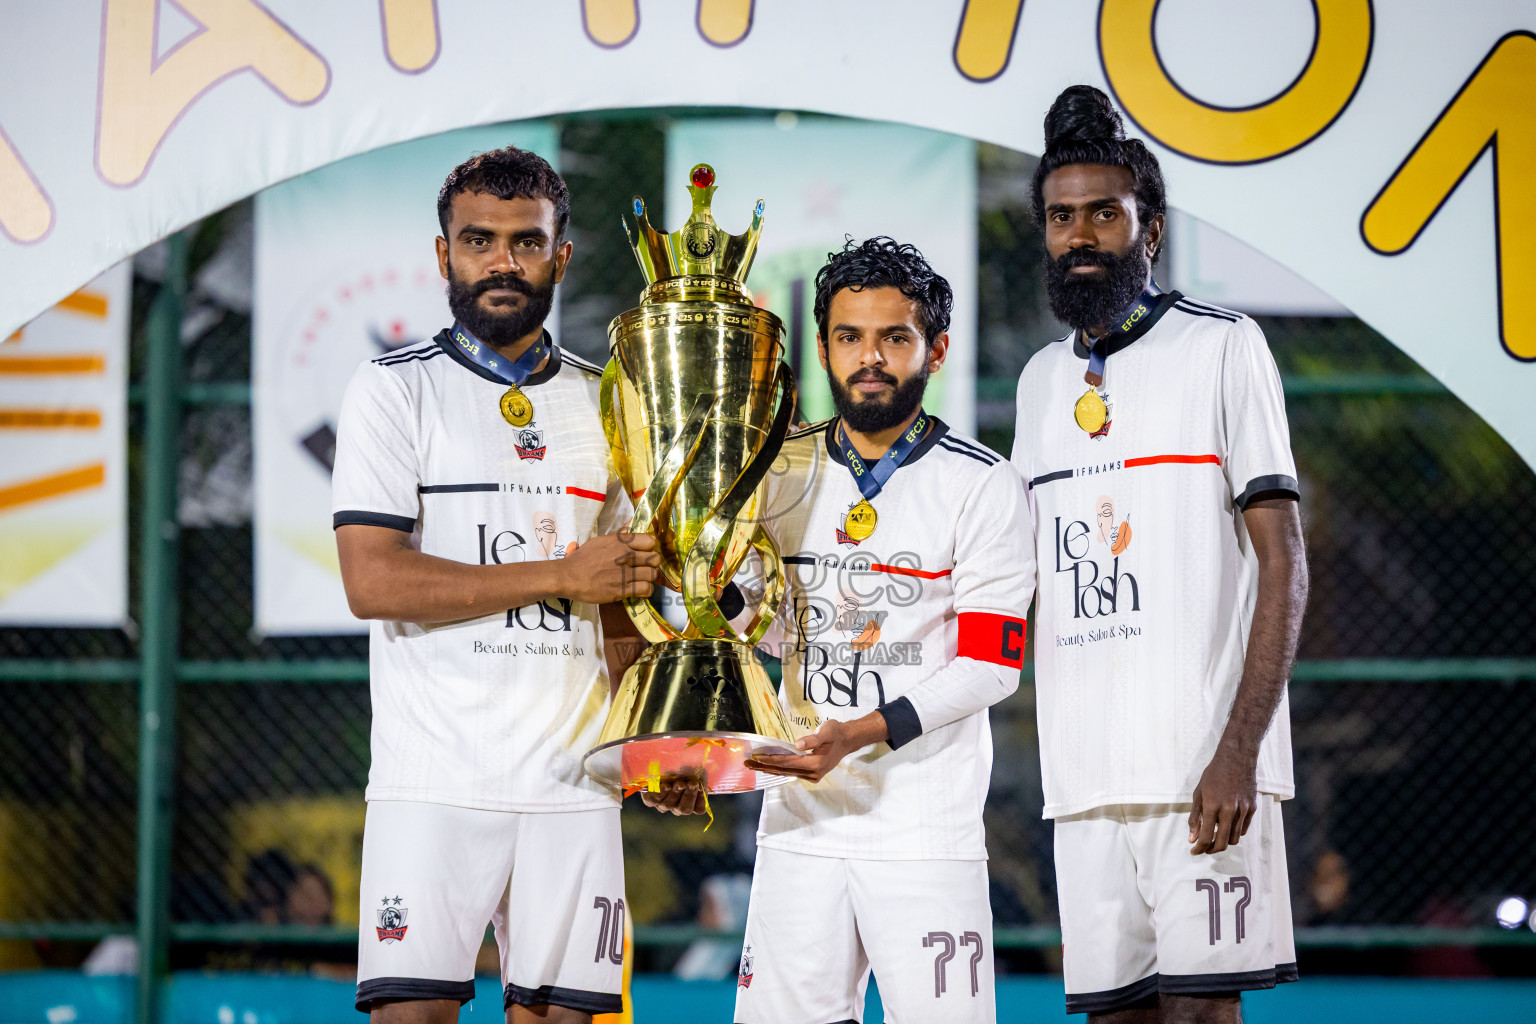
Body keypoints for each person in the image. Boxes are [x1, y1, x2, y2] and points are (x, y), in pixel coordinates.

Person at [648, 237, 1035, 1024]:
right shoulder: (774, 470)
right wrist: (695, 739)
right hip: (798, 824)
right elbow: (743, 623)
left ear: (936, 349)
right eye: (851, 337)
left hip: (923, 830)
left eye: (895, 337)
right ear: (823, 347)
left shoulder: (983, 482)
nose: (871, 358)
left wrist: (855, 734)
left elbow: (993, 664)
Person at [332, 146, 658, 1023]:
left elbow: (620, 595)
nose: (502, 261)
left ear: (563, 255)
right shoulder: (393, 390)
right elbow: (372, 580)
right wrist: (562, 573)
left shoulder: (609, 403)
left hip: (574, 783)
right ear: (443, 256)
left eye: (526, 241)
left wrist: (651, 737)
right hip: (434, 777)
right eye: (479, 240)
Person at [1010, 86, 1309, 1021]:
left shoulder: (1224, 346)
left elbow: (1283, 560)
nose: (1082, 234)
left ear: (1152, 226)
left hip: (1204, 773)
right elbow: (1011, 575)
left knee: (1202, 1014)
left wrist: (1239, 752)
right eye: (1063, 217)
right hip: (1085, 783)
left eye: (1106, 211)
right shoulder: (1040, 381)